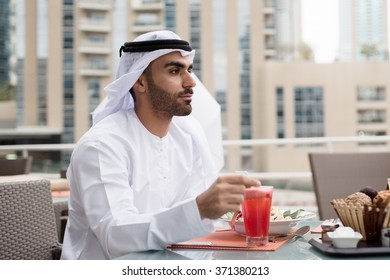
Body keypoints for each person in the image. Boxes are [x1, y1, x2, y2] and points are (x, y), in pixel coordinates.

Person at [60, 30, 261, 260]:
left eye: (189, 70)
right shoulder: (101, 145)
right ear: (140, 82)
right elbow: (114, 235)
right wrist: (199, 209)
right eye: (175, 71)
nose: (190, 81)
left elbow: (191, 224)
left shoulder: (187, 137)